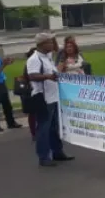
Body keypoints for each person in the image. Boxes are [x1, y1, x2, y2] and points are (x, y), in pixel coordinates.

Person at [27, 33, 74, 167]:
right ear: (42, 44)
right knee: (43, 128)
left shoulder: (47, 57)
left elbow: (57, 49)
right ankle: (43, 157)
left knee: (54, 127)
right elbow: (32, 76)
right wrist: (48, 76)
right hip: (43, 98)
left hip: (53, 97)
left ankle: (57, 152)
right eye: (49, 42)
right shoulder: (35, 59)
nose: (52, 44)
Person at [0, 41, 21, 132]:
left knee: (7, 105)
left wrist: (8, 61)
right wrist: (5, 64)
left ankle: (11, 123)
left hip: (1, 83)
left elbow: (1, 64)